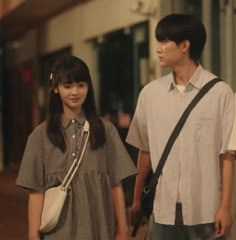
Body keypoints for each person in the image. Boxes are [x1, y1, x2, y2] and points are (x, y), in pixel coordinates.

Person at [126, 13, 235, 240]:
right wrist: (137, 199)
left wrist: (226, 207)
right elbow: (144, 151)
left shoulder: (221, 93)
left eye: (165, 42)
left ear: (185, 45)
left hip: (206, 211)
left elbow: (227, 155)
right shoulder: (150, 94)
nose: (159, 49)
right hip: (163, 209)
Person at [16, 55, 137, 240]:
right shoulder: (39, 137)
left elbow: (115, 184)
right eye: (68, 86)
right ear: (55, 88)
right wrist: (33, 234)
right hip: (58, 233)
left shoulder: (106, 130)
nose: (75, 92)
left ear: (89, 87)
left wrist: (123, 229)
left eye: (81, 85)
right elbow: (36, 191)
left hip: (100, 230)